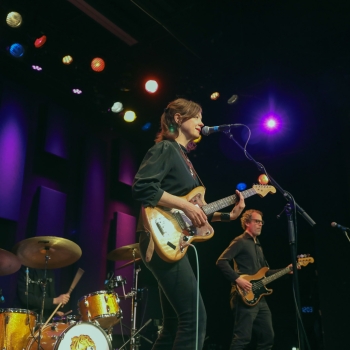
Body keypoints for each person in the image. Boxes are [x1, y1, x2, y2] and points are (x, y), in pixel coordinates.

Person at [132, 98, 245, 350]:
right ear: (178, 119)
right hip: (160, 238)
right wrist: (185, 206)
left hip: (173, 239)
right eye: (197, 117)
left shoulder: (184, 159)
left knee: (173, 325)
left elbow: (195, 214)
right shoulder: (166, 149)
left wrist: (230, 216)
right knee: (194, 318)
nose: (202, 122)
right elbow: (142, 187)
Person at [216, 209, 294, 350]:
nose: (260, 224)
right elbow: (221, 261)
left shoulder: (258, 245)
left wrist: (287, 269)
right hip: (243, 295)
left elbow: (265, 272)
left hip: (259, 298)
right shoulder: (240, 241)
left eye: (261, 222)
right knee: (242, 338)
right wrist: (237, 279)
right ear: (247, 223)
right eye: (257, 221)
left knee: (268, 337)